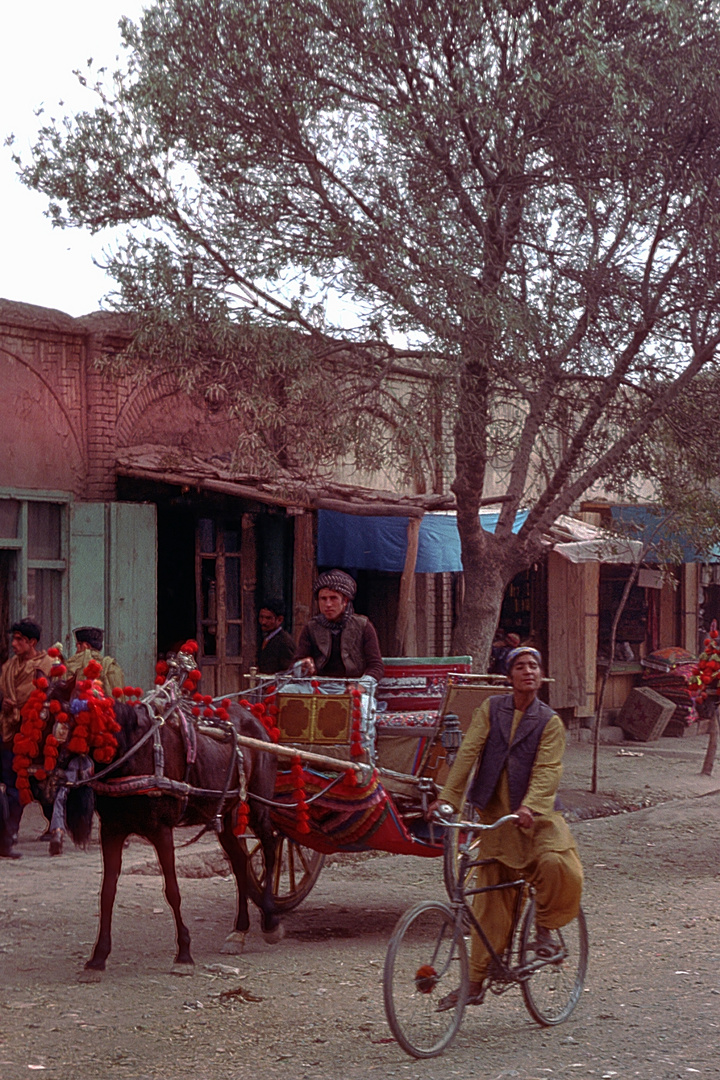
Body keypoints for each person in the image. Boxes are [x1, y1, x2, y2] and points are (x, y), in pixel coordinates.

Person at [428, 646, 583, 1009]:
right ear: (508, 676)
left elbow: (548, 769)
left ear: (542, 675)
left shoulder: (550, 722)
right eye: (520, 666)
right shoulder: (491, 709)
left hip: (537, 816)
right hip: (495, 816)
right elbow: (468, 751)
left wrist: (531, 805)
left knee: (559, 866)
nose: (528, 671)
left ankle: (544, 929)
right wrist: (449, 796)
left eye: (534, 666)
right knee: (490, 904)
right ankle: (476, 983)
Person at [0, 619, 53, 858]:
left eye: (19, 640)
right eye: (14, 639)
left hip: (32, 735)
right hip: (6, 730)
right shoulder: (8, 667)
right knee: (12, 785)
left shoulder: (48, 666)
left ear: (32, 642)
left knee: (20, 786)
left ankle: (8, 836)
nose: (14, 644)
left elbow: (52, 701)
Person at [294, 570, 384, 682]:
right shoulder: (311, 627)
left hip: (354, 684)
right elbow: (297, 662)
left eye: (333, 598)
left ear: (345, 601)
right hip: (319, 685)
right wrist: (303, 666)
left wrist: (362, 685)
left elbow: (376, 666)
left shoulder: (363, 626)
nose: (328, 604)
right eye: (323, 599)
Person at [65, 627, 124, 696]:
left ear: (86, 645)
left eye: (78, 645)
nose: (77, 650)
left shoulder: (75, 662)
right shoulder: (112, 665)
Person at [257, 600, 296, 674]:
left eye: (268, 618)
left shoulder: (284, 642)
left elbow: (289, 671)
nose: (263, 622)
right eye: (261, 617)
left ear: (279, 620)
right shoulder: (265, 638)